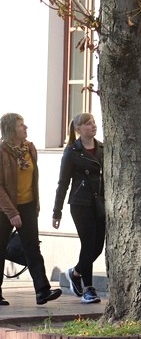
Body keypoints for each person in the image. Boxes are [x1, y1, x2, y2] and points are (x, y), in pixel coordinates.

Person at [0, 113, 62, 305]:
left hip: (28, 205)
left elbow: (33, 180)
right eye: (21, 125)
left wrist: (35, 206)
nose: (25, 128)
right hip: (4, 208)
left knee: (32, 247)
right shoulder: (2, 151)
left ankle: (42, 291)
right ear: (10, 129)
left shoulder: (30, 148)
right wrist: (12, 212)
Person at [52, 113, 105, 304]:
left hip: (100, 202)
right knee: (88, 244)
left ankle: (75, 273)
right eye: (88, 124)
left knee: (98, 246)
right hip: (80, 203)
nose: (93, 126)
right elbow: (63, 183)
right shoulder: (72, 152)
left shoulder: (102, 148)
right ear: (78, 129)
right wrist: (57, 211)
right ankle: (88, 289)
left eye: (93, 122)